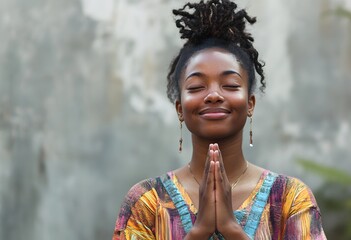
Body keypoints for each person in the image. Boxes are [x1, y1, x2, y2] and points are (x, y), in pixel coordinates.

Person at [112, 0, 326, 239]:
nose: (213, 95)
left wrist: (232, 229)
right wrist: (200, 231)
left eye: (230, 85)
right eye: (196, 87)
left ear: (250, 104)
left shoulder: (289, 199)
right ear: (180, 109)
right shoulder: (148, 202)